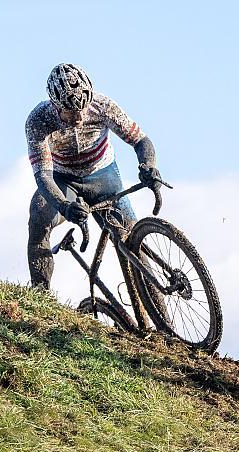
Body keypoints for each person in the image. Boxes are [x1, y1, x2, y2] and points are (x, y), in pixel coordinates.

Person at [25, 63, 162, 289]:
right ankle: (40, 292)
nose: (78, 118)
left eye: (82, 110)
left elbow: (141, 141)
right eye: (70, 112)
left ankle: (159, 318)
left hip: (104, 179)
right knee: (39, 215)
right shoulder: (39, 121)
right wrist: (63, 206)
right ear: (54, 105)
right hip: (63, 180)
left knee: (131, 244)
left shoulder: (103, 106)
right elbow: (44, 177)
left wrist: (148, 165)